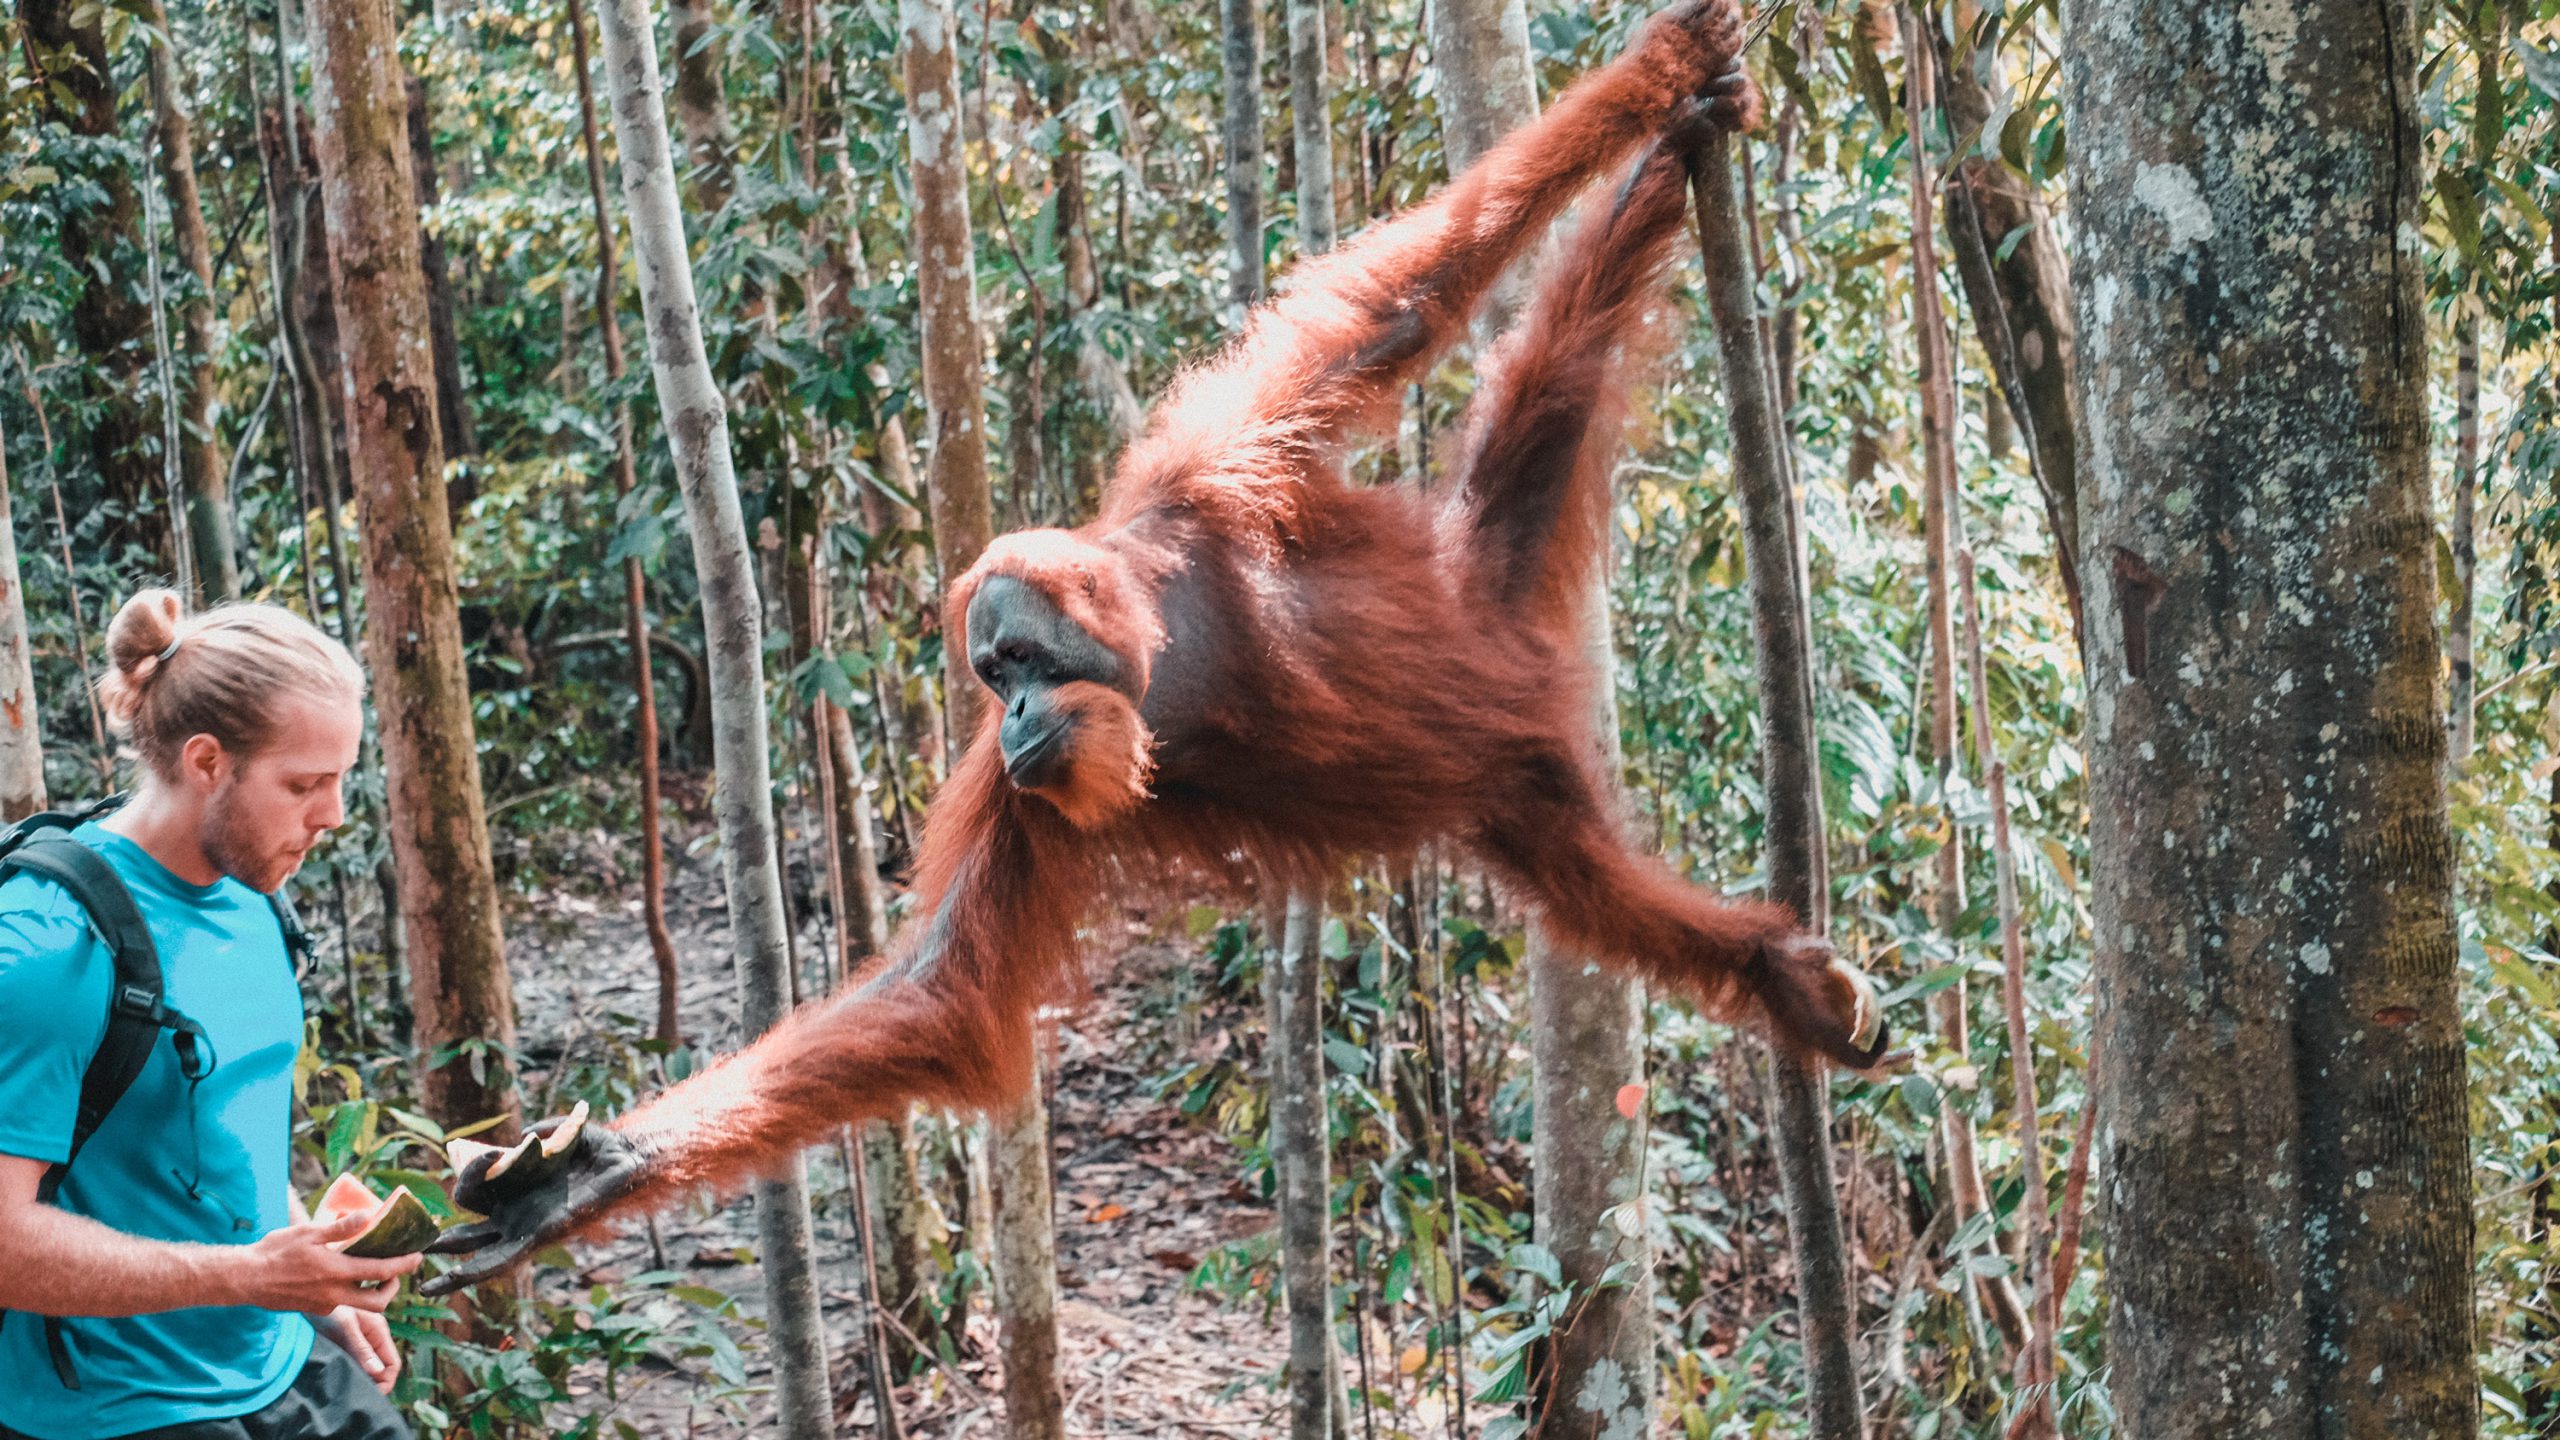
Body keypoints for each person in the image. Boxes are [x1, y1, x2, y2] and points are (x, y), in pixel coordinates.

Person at [0, 591, 419, 1440]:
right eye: (304, 784)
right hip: (110, 1409)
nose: (333, 815)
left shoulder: (252, 894)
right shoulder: (47, 949)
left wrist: (311, 1280)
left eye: (339, 779)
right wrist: (252, 1275)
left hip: (271, 1357)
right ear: (206, 762)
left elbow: (224, 1148)